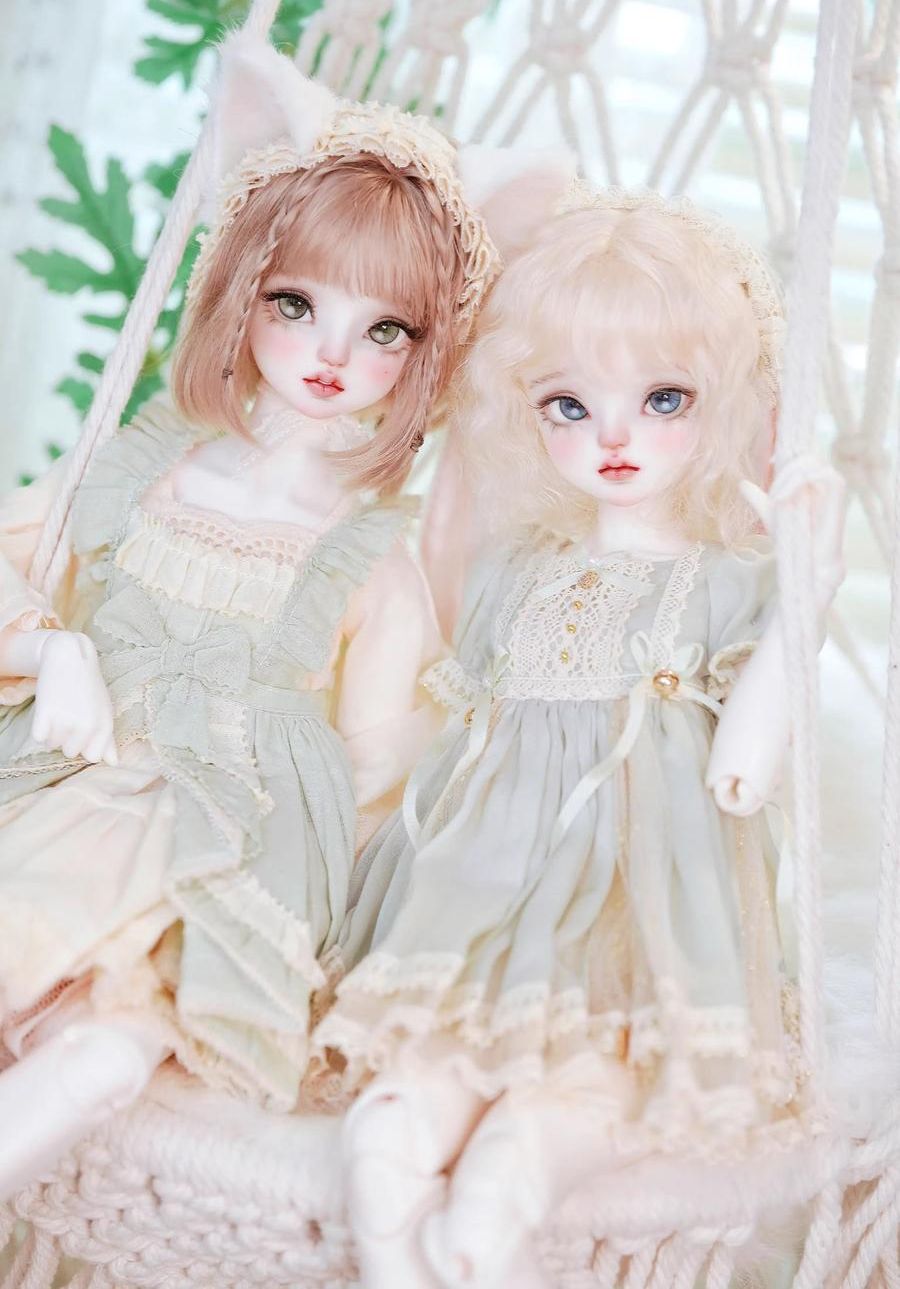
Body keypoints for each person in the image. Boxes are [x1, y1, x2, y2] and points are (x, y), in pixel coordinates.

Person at [0, 30, 506, 1200]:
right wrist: (52, 645)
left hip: (231, 841)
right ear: (242, 292)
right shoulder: (142, 467)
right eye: (296, 303)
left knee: (111, 1043)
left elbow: (384, 767)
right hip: (71, 791)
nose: (333, 353)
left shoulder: (369, 556)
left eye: (386, 330)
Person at [312, 188, 847, 1289]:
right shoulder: (516, 569)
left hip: (638, 915)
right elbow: (450, 748)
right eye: (568, 404)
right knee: (391, 1123)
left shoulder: (723, 582)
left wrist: (810, 591)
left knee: (531, 1142)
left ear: (724, 404)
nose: (612, 436)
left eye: (662, 398)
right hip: (481, 905)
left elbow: (741, 776)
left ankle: (488, 1220)